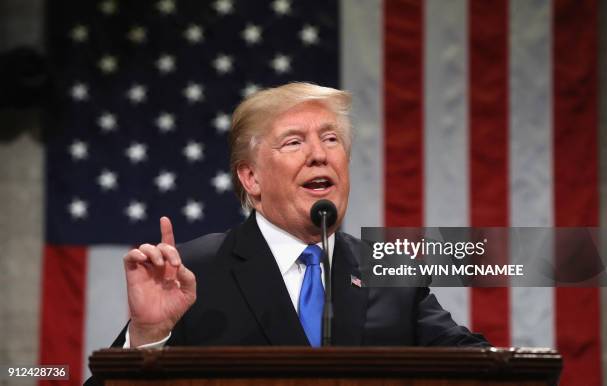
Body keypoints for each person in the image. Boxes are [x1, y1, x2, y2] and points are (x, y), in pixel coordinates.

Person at [114, 82, 489, 350]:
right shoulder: (195, 272)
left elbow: (472, 363)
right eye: (294, 142)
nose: (319, 155)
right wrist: (149, 337)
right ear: (251, 177)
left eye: (331, 139)